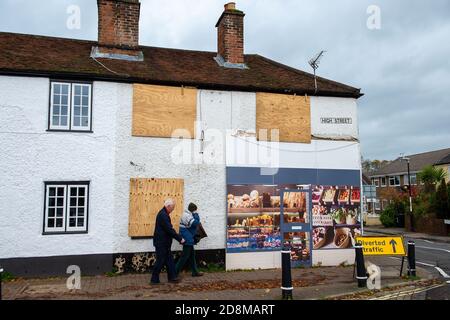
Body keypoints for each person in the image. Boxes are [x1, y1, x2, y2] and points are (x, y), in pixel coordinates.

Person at [151, 198, 185, 285]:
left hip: (165, 243)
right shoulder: (163, 215)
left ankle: (172, 277)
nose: (173, 210)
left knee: (169, 260)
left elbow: (168, 230)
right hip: (161, 243)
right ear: (168, 206)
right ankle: (154, 279)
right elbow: (169, 229)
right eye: (172, 208)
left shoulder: (164, 213)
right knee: (160, 261)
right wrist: (180, 238)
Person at [175, 203, 204, 277]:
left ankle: (195, 272)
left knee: (191, 256)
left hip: (188, 237)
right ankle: (174, 273)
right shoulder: (187, 216)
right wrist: (196, 215)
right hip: (187, 238)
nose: (196, 211)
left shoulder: (187, 214)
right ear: (193, 209)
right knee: (184, 256)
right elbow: (195, 223)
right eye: (195, 210)